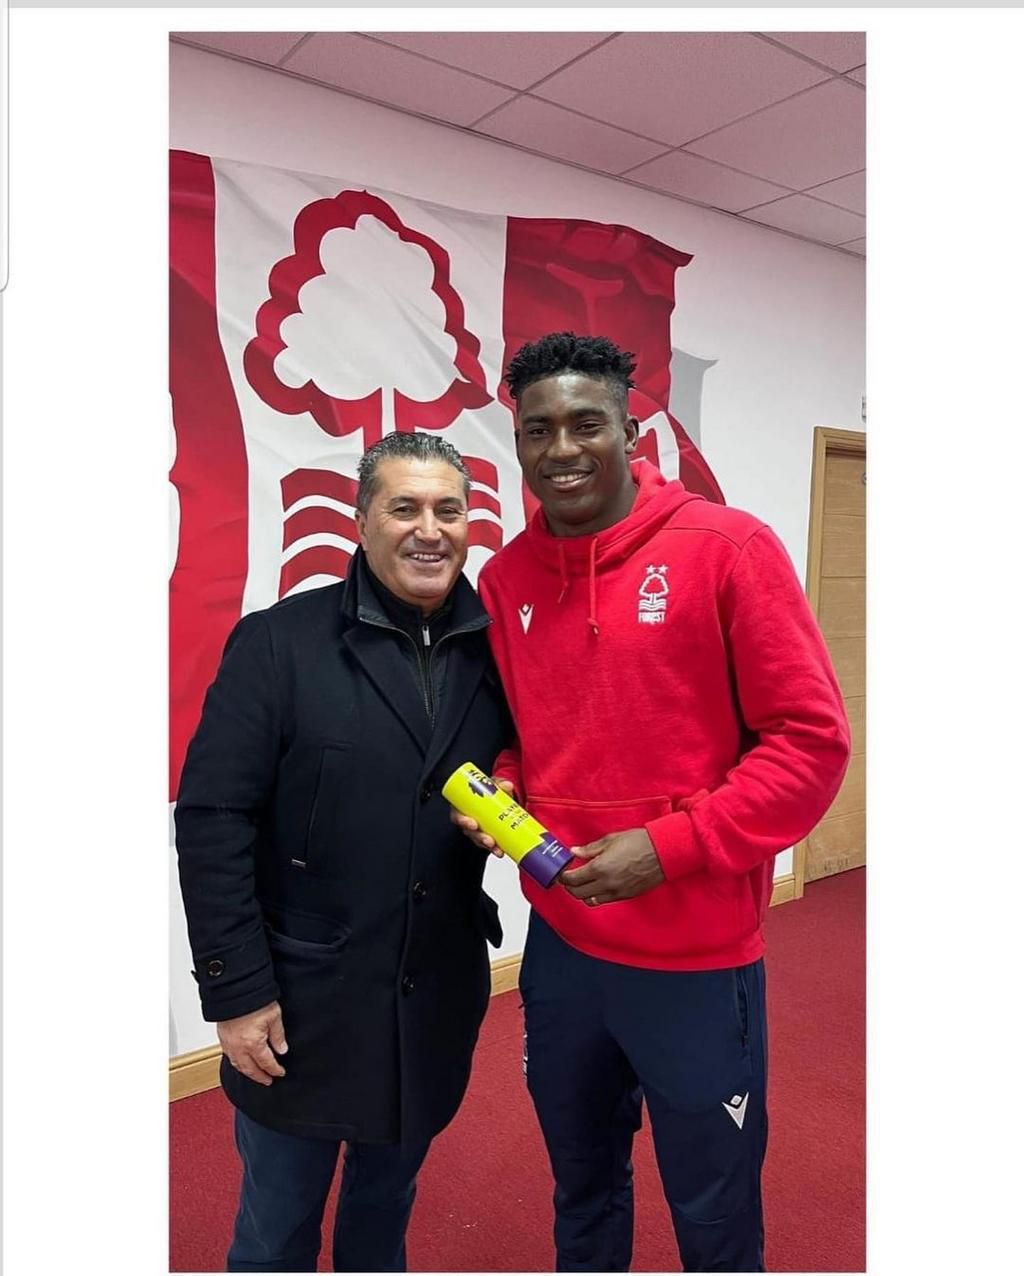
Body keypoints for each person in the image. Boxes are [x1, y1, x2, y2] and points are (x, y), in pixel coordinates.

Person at [452, 332, 851, 1273]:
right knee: (582, 1182)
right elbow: (522, 734)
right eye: (538, 429)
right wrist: (504, 790)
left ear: (631, 431)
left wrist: (671, 846)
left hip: (696, 959)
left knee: (712, 1209)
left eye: (587, 423)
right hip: (563, 956)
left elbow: (810, 744)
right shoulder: (506, 580)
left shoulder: (728, 549)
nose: (562, 449)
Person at [175, 432, 511, 1273]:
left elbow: (525, 770)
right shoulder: (277, 644)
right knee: (275, 1231)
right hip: (300, 1008)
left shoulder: (498, 653)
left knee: (382, 1217)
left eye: (448, 509)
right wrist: (237, 991)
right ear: (362, 523)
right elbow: (213, 819)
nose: (428, 530)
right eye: (404, 508)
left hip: (433, 999)